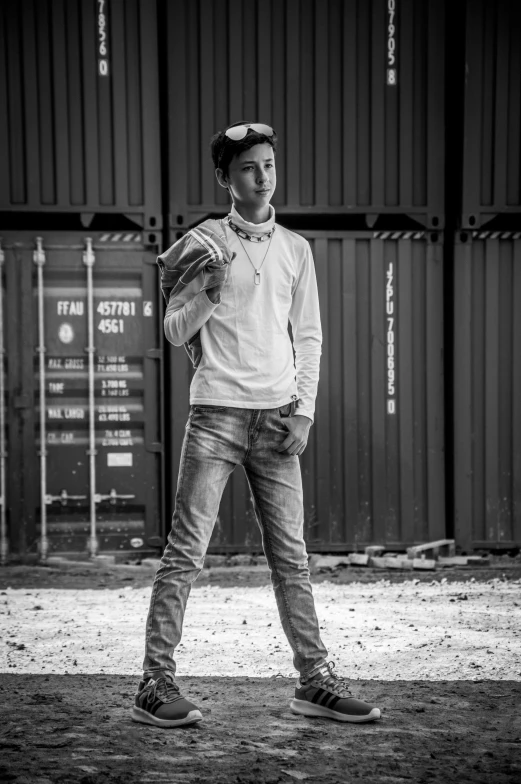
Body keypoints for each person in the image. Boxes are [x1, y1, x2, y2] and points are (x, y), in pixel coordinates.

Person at [132, 122, 381, 728]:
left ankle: (315, 683)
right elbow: (171, 330)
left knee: (292, 558)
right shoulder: (204, 243)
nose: (262, 176)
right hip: (215, 413)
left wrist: (305, 410)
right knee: (185, 554)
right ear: (225, 178)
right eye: (248, 167)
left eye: (268, 164)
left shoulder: (296, 249)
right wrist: (211, 292)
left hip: (277, 422)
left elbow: (310, 336)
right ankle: (154, 684)